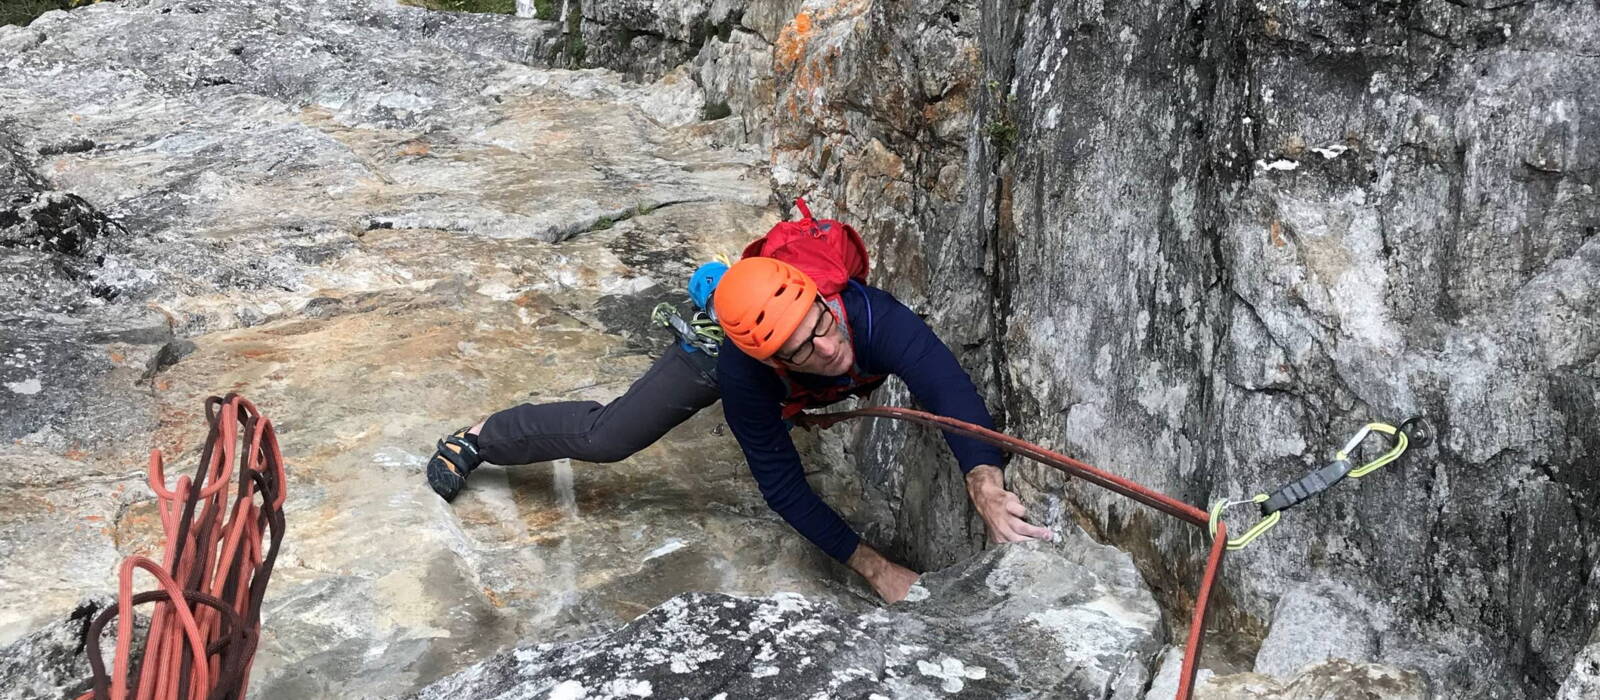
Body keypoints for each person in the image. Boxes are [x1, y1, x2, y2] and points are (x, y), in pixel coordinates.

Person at [427, 217, 1050, 603]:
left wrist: (984, 481)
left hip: (780, 338)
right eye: (805, 349)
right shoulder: (743, 374)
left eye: (823, 326)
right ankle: (486, 436)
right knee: (610, 435)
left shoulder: (862, 314)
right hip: (719, 352)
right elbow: (783, 488)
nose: (830, 349)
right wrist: (877, 569)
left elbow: (947, 387)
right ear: (776, 362)